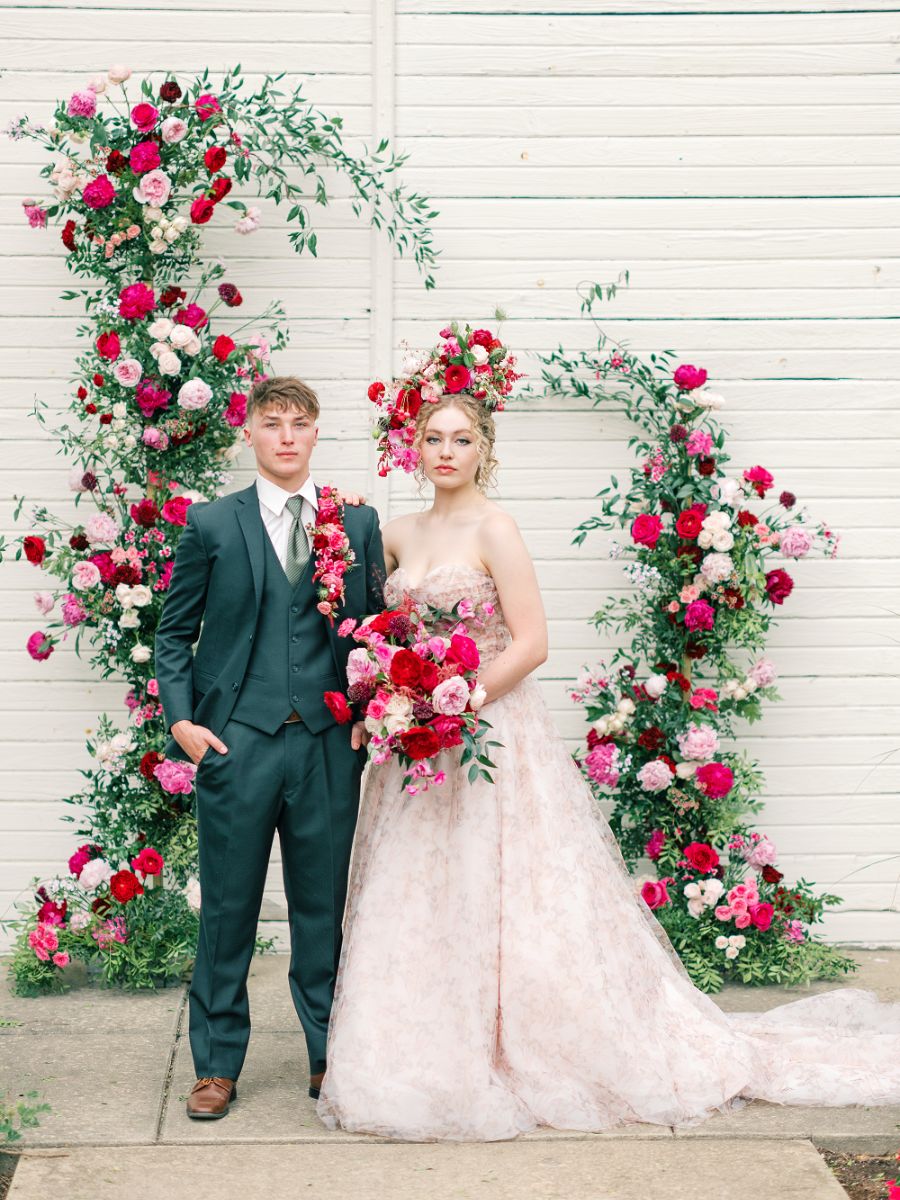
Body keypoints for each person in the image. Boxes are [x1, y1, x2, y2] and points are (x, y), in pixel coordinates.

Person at [316, 326, 900, 1142]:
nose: (446, 450)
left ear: (485, 450)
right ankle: (423, 1046)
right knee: (421, 894)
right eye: (433, 437)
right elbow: (378, 631)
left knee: (511, 890)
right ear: (413, 446)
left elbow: (531, 642)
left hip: (486, 734)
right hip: (419, 748)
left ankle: (533, 1038)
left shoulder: (497, 530)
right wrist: (397, 701)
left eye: (463, 439)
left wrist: (458, 702)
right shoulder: (398, 534)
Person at [155, 375, 385, 1119]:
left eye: (300, 423)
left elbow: (375, 629)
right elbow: (172, 632)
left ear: (317, 434)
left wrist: (367, 709)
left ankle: (329, 1057)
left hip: (325, 747)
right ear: (248, 433)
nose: (286, 435)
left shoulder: (354, 524)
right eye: (272, 422)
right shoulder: (212, 524)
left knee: (322, 909)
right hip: (237, 745)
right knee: (228, 910)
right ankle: (217, 1065)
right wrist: (184, 723)